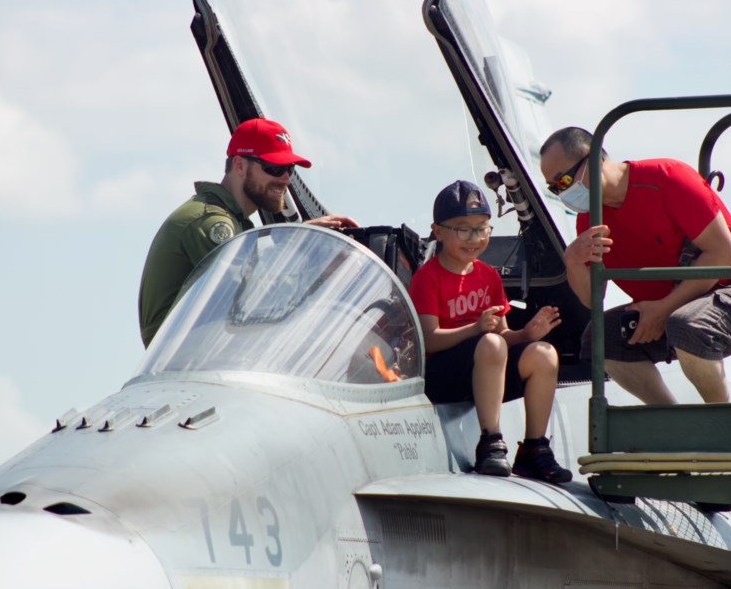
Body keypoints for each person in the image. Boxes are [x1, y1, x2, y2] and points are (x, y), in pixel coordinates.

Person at [538, 127, 731, 404]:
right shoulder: (590, 221)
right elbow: (591, 299)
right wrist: (573, 262)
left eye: (564, 180)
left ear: (593, 161)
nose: (562, 192)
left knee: (688, 325)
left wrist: (663, 308)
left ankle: (721, 423)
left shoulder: (666, 178)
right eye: (554, 187)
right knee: (600, 338)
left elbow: (722, 253)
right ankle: (670, 422)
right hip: (675, 308)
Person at [138, 118, 358, 347]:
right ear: (240, 165)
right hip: (183, 365)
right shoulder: (211, 223)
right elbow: (249, 300)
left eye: (289, 169)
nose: (285, 179)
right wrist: (317, 270)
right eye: (274, 168)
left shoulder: (239, 225)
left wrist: (298, 238)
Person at [408, 180, 573, 483]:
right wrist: (476, 329)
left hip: (487, 366)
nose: (474, 238)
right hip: (443, 375)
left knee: (544, 354)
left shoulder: (488, 276)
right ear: (439, 231)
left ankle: (534, 449)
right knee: (491, 344)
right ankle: (490, 441)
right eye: (463, 228)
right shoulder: (427, 277)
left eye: (481, 228)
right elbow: (428, 339)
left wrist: (526, 335)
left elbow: (503, 335)